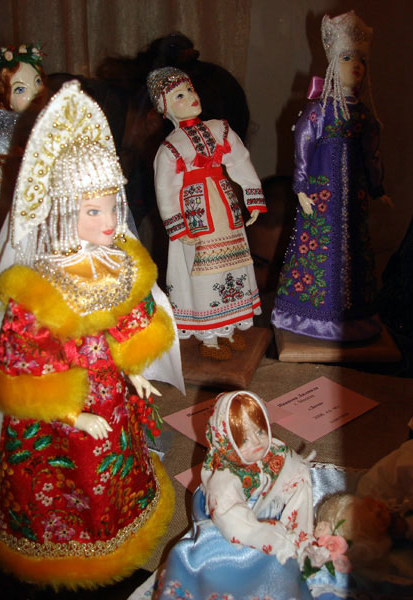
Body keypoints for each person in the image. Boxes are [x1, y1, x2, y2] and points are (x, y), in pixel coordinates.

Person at [0, 80, 182, 590]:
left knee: (113, 468)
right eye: (93, 211)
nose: (110, 221)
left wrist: (135, 367)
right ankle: (63, 546)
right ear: (65, 211)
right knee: (69, 475)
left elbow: (130, 317)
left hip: (110, 393)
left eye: (112, 206)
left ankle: (117, 530)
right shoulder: (38, 288)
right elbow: (26, 360)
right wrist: (71, 413)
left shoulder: (117, 263)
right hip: (65, 410)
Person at [271, 11, 392, 342]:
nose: (356, 66)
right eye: (347, 58)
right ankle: (308, 316)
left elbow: (372, 154)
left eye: (361, 60)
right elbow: (303, 145)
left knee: (355, 250)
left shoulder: (364, 116)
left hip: (354, 197)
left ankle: (355, 318)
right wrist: (300, 187)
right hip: (321, 197)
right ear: (332, 64)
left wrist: (377, 187)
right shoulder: (320, 110)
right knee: (319, 249)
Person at [147, 67, 266, 360]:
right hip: (195, 217)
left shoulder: (218, 128)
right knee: (203, 271)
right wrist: (177, 226)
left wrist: (252, 194)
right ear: (165, 108)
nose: (190, 97)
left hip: (223, 207)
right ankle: (209, 337)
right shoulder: (170, 147)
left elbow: (239, 160)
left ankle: (229, 328)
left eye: (190, 90)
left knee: (234, 264)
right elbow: (165, 188)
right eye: (179, 95)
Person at [154, 390, 316, 599]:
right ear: (226, 441)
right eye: (244, 440)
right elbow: (231, 519)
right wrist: (274, 537)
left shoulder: (274, 452)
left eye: (260, 431)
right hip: (227, 531)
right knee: (273, 568)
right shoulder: (225, 477)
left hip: (263, 516)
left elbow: (297, 473)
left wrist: (299, 534)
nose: (257, 443)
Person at [0, 44, 47, 235]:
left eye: (38, 81)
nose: (35, 92)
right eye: (20, 89)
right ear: (3, 95)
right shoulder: (3, 140)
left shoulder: (49, 126)